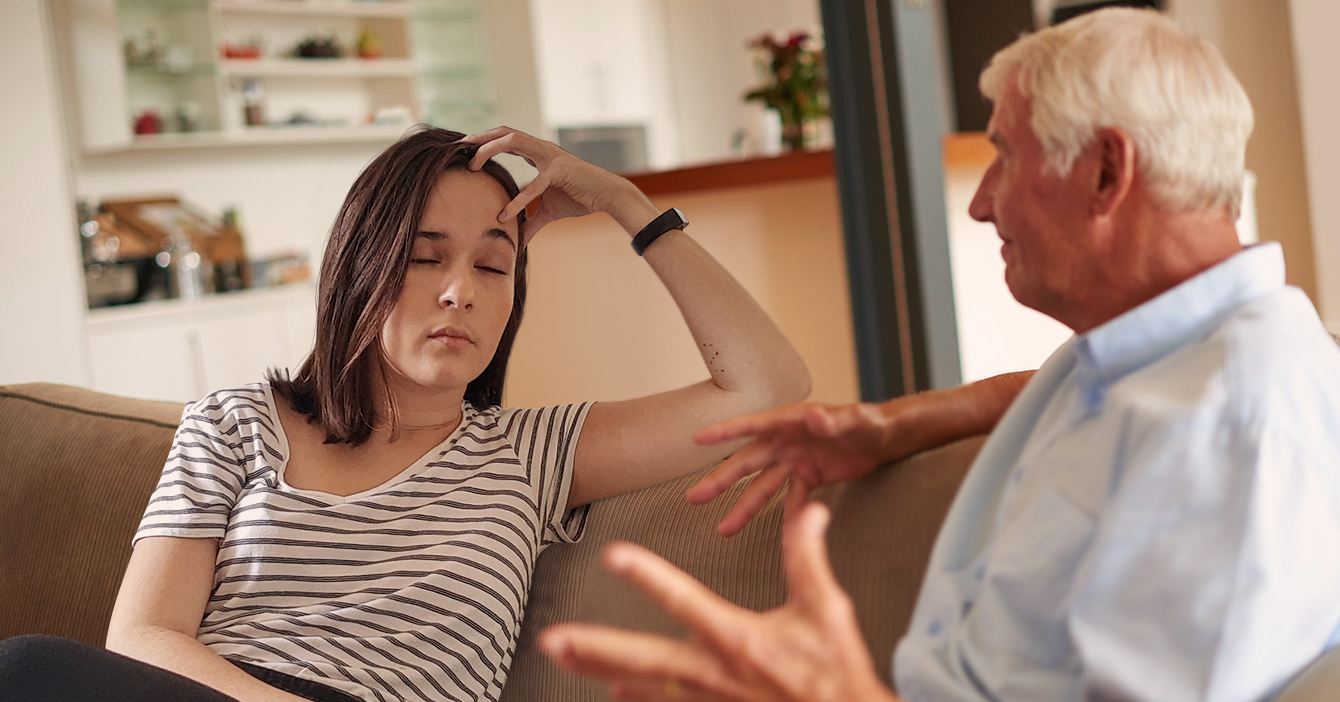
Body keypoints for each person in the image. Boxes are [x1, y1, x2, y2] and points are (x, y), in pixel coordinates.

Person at [535, 8, 1340, 702]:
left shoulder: (1230, 425)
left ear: (1105, 171)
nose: (985, 201)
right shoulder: (1162, 360)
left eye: (1007, 156)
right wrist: (894, 425)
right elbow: (1075, 394)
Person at [0, 126, 810, 702]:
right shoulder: (234, 422)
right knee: (27, 669)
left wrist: (626, 201)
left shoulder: (533, 452)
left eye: (494, 266)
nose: (460, 288)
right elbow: (143, 637)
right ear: (362, 270)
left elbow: (766, 384)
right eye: (426, 258)